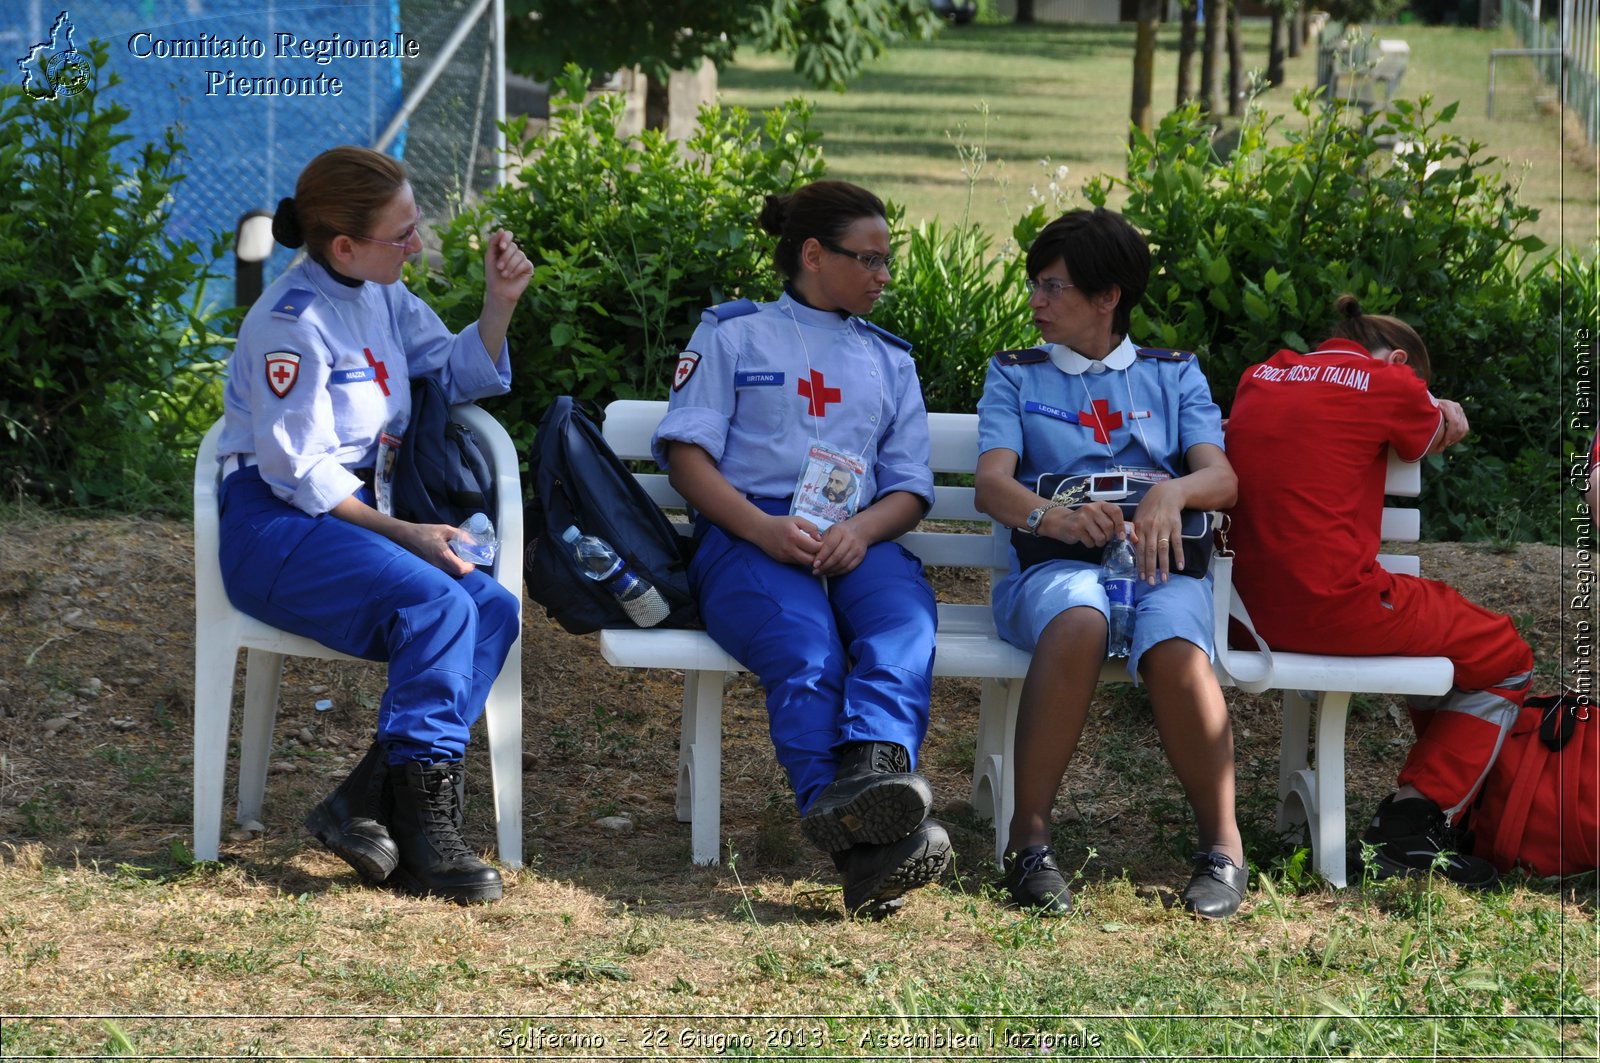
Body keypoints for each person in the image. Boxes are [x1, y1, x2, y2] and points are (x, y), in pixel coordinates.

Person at [215, 146, 534, 904]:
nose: (417, 245)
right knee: (438, 602)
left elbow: (453, 374)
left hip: (358, 515)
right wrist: (412, 534)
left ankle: (369, 800)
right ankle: (424, 832)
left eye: (414, 226)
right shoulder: (289, 324)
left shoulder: (383, 292)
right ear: (343, 245)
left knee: (492, 605)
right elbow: (299, 473)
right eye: (404, 234)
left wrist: (500, 301)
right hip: (277, 526)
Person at [651, 180, 950, 918]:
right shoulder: (732, 334)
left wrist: (862, 531)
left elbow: (909, 486)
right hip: (749, 537)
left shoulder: (889, 359)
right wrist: (761, 528)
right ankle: (864, 843)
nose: (883, 277)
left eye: (888, 261)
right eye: (869, 260)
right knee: (805, 644)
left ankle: (874, 772)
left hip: (857, 534)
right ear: (813, 255)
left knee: (901, 623)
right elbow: (687, 458)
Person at [973, 208, 1248, 919]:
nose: (1036, 300)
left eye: (1054, 287)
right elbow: (992, 483)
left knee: (1178, 645)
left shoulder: (1173, 374)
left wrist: (1172, 490)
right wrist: (1053, 516)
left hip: (1159, 569)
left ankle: (1222, 844)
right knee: (1080, 618)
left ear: (1108, 297)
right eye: (1035, 283)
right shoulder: (1015, 375)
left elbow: (1222, 480)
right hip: (1050, 571)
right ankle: (1028, 842)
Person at [1225, 295, 1533, 889]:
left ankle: (1426, 811)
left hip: (1240, 616)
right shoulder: (1389, 382)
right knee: (1503, 657)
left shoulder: (1261, 375)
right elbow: (1445, 428)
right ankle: (1410, 824)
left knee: (1444, 645)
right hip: (1336, 608)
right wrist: (1436, 405)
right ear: (1396, 360)